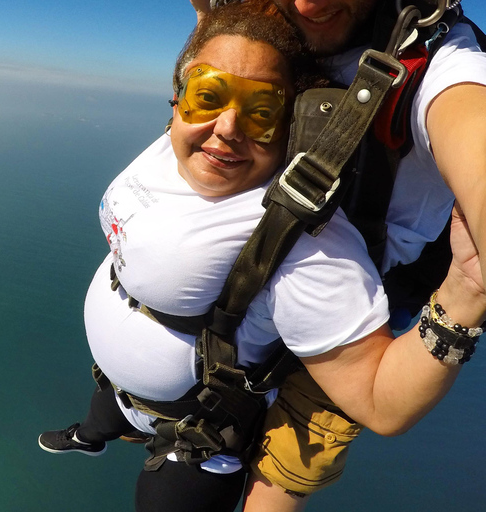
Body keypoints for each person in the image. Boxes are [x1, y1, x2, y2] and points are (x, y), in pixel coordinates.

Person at [38, 2, 486, 511]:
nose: (227, 126)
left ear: (290, 122)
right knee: (107, 415)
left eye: (261, 111)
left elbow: (380, 398)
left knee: (281, 473)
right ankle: (95, 431)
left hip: (217, 413)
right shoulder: (224, 76)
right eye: (206, 96)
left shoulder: (303, 243)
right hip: (129, 378)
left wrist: (465, 295)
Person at [188, 0, 486, 510]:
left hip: (352, 324)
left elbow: (469, 123)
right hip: (244, 289)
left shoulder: (442, 62)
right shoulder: (260, 17)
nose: (309, 4)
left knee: (288, 465)